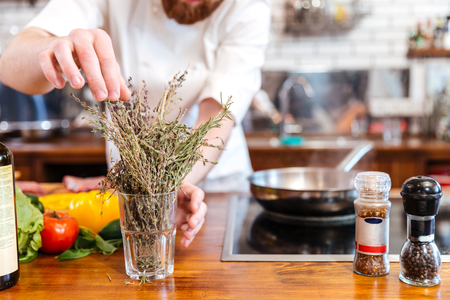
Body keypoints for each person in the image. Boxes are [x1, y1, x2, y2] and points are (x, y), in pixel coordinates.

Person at [0, 0, 271, 247]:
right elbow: (10, 64)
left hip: (220, 189)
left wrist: (162, 187)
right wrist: (49, 49)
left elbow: (215, 118)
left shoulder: (249, 7)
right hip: (136, 192)